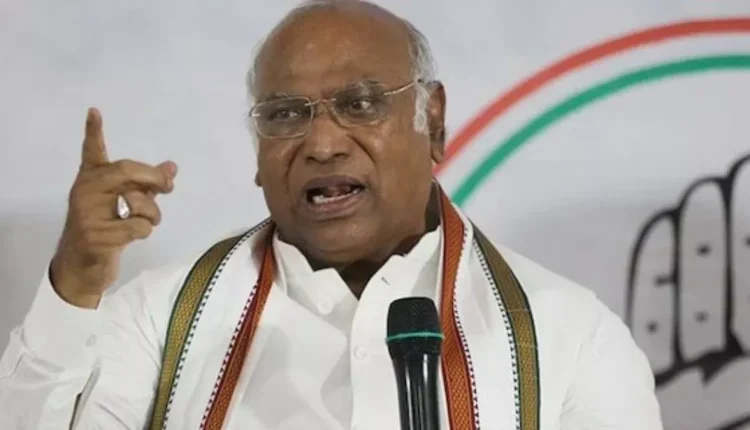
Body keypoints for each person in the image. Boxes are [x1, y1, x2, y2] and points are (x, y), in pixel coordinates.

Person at [0, 1, 664, 429]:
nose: (321, 144)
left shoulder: (568, 337)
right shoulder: (159, 320)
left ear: (432, 121)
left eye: (361, 103)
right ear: (257, 152)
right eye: (285, 114)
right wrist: (76, 284)